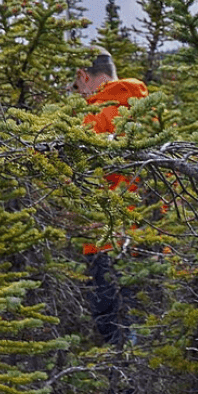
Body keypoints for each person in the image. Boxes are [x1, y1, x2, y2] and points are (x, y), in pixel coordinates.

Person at [75, 48, 149, 347]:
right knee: (141, 315)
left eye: (76, 87)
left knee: (111, 320)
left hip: (104, 238)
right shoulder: (147, 106)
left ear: (83, 76)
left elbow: (79, 174)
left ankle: (121, 383)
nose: (78, 94)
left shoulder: (95, 115)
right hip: (147, 236)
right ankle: (140, 382)